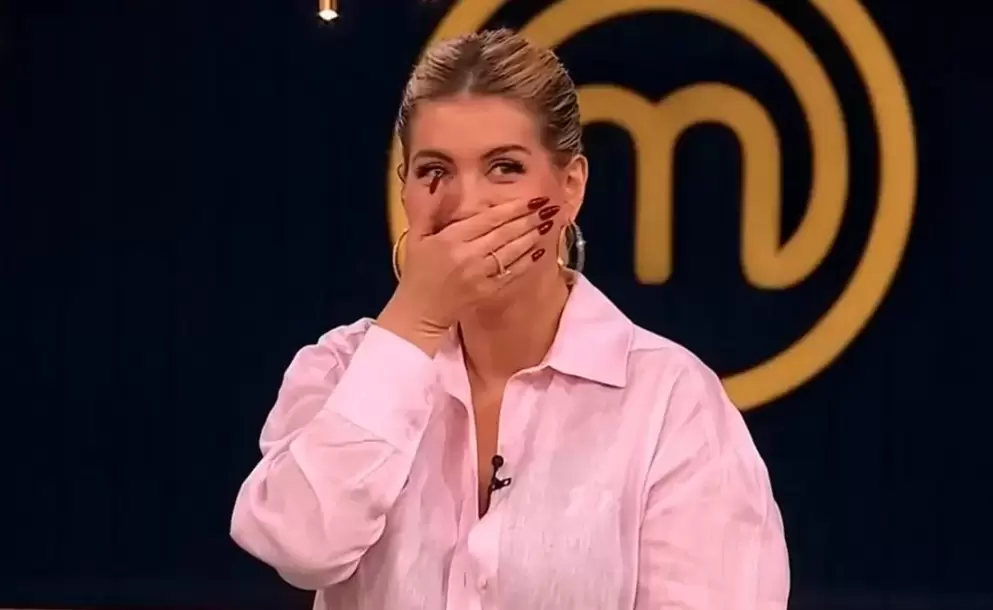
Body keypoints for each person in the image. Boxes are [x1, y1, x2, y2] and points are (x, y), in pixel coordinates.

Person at [230, 28, 789, 610]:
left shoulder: (670, 401)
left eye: (503, 168)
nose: (466, 204)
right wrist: (416, 320)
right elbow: (300, 549)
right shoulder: (341, 369)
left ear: (570, 187)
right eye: (434, 170)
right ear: (405, 192)